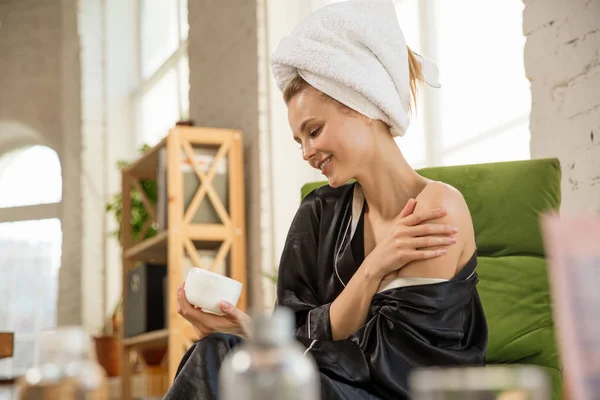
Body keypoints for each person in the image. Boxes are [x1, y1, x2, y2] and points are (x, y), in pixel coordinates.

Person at [164, 1, 487, 399]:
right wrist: (372, 269)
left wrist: (275, 342)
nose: (306, 152)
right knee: (216, 350)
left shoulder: (436, 206)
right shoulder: (318, 214)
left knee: (221, 357)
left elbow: (398, 365)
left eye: (313, 131)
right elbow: (292, 335)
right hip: (328, 387)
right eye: (299, 141)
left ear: (364, 103)